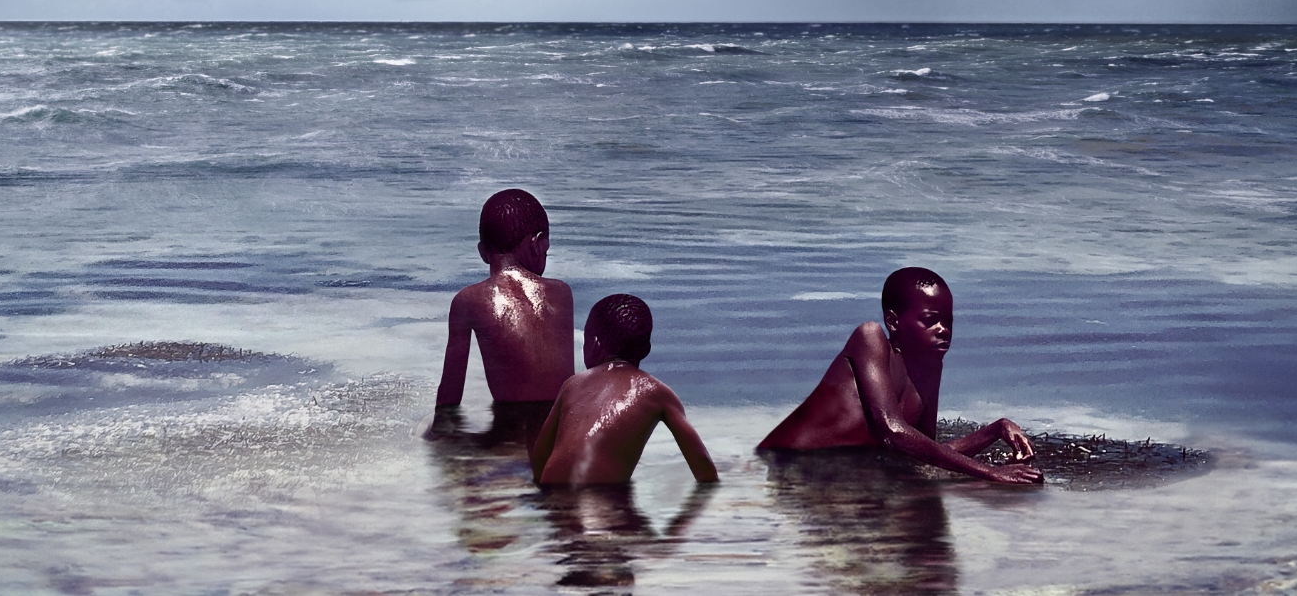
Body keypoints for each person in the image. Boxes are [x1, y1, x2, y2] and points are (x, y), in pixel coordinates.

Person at [758, 267, 1042, 484]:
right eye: (931, 320)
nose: (943, 329)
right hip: (782, 467)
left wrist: (994, 430)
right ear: (893, 321)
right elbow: (891, 431)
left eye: (948, 321)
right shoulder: (869, 338)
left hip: (837, 476)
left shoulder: (931, 366)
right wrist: (992, 473)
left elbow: (924, 453)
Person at [430, 189, 575, 448]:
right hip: (562, 432)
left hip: (510, 436)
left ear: (483, 252)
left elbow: (451, 392)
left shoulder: (468, 300)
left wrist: (438, 436)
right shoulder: (561, 293)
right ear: (538, 243)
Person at [531, 294, 719, 485]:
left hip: (553, 497)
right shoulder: (657, 392)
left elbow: (540, 456)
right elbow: (701, 462)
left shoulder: (572, 384)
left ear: (594, 343)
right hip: (602, 504)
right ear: (646, 350)